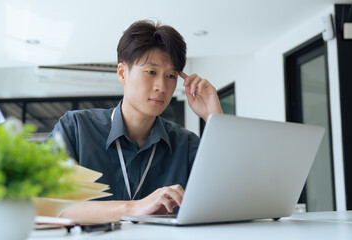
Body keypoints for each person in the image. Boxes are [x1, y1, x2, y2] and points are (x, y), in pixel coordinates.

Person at [48, 20, 223, 220]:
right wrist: (133, 208)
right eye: (151, 72)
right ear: (123, 73)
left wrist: (213, 117)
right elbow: (48, 204)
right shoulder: (75, 129)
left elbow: (227, 199)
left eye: (171, 76)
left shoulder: (187, 145)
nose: (162, 86)